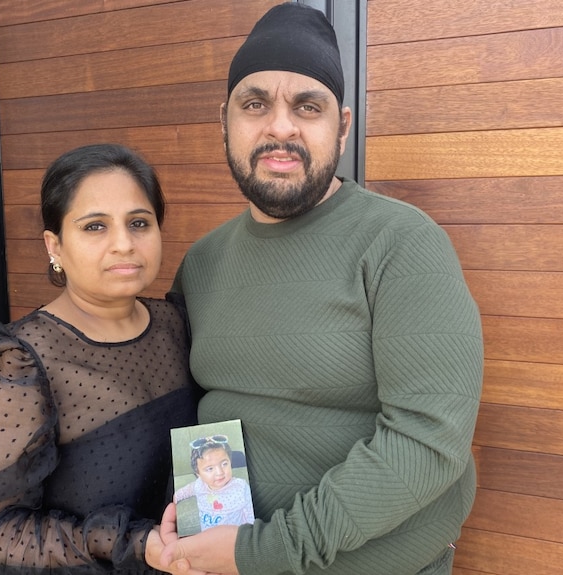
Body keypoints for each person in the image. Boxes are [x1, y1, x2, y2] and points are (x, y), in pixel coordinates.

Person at [159, 3, 485, 575]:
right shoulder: (202, 264)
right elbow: (192, 417)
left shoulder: (401, 243)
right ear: (225, 121)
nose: (279, 126)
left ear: (343, 125)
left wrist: (262, 553)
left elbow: (429, 442)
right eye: (255, 103)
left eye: (307, 107)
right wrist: (179, 515)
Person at [0, 143, 203, 575]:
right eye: (95, 227)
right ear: (54, 245)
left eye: (139, 223)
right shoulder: (15, 363)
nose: (124, 244)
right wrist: (134, 543)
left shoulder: (177, 324)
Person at [173, 435, 254, 533]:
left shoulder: (241, 486)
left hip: (234, 537)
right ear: (198, 474)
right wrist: (174, 499)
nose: (220, 472)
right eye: (210, 469)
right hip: (207, 538)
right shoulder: (199, 485)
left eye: (224, 464)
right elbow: (185, 491)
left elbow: (250, 516)